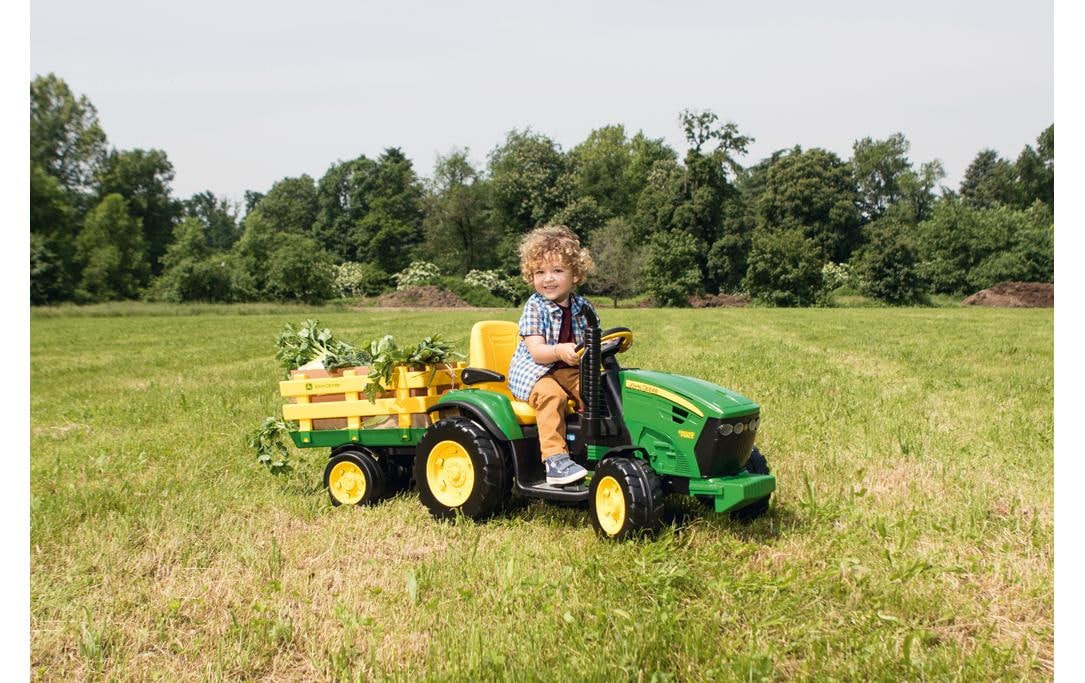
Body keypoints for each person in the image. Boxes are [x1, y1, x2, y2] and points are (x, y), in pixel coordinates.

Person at [507, 224, 597, 486]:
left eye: (557, 271)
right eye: (540, 272)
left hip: (565, 368)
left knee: (597, 387)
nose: (548, 278)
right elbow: (536, 351)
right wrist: (559, 350)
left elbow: (593, 340)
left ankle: (599, 441)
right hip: (534, 372)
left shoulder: (583, 307)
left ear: (575, 274)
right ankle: (555, 460)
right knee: (552, 395)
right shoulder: (535, 307)